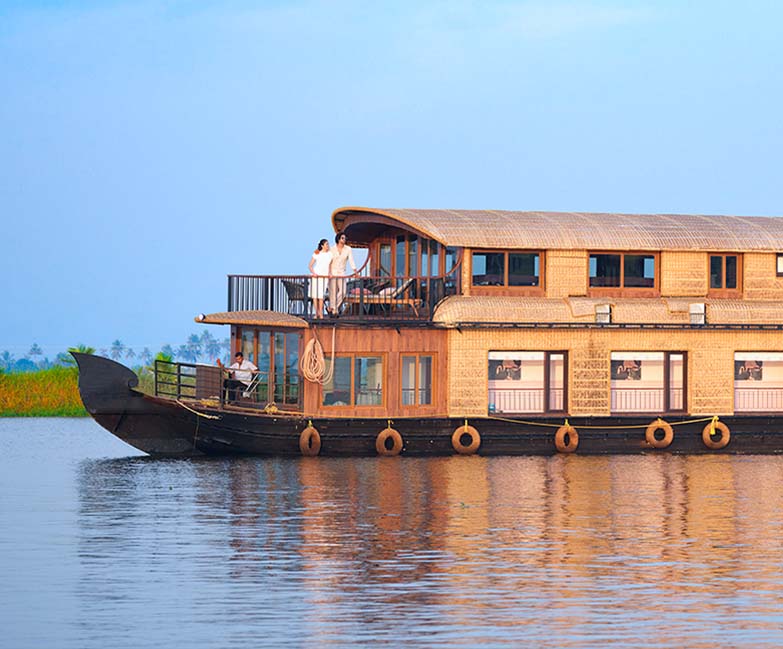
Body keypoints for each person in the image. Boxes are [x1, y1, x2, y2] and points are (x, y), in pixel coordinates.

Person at [328, 231, 358, 316]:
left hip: (342, 272)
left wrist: (355, 270)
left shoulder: (348, 249)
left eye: (345, 238)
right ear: (338, 239)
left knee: (343, 292)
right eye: (342, 238)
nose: (344, 240)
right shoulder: (332, 249)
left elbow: (351, 260)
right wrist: (329, 273)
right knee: (333, 293)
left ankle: (333, 308)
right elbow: (329, 262)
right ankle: (334, 312)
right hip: (333, 272)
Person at [308, 239, 331, 319]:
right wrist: (314, 273)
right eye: (326, 244)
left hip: (324, 276)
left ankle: (321, 313)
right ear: (322, 245)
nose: (328, 246)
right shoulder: (317, 252)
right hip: (316, 276)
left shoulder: (330, 254)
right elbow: (310, 265)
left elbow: (330, 265)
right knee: (315, 295)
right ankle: (316, 313)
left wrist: (329, 273)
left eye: (328, 244)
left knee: (321, 296)